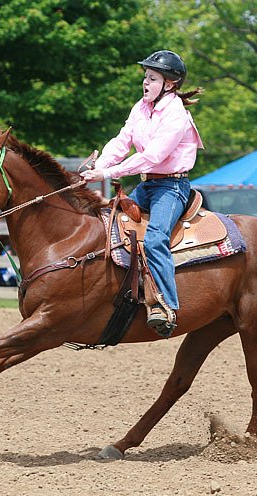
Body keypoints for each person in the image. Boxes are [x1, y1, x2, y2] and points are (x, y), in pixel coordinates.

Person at [82, 50, 204, 337]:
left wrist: (109, 173)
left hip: (172, 187)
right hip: (147, 186)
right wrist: (99, 166)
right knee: (107, 224)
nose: (145, 83)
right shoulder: (141, 107)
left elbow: (153, 156)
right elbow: (121, 140)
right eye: (145, 78)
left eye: (152, 78)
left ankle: (166, 306)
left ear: (170, 84)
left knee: (155, 238)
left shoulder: (176, 115)